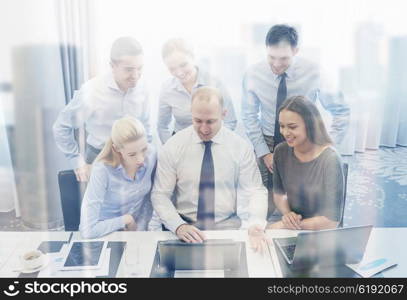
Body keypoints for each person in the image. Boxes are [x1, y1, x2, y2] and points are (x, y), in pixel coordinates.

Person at [241, 24, 350, 219]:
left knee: (305, 204)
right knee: (264, 202)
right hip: (267, 140)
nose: (276, 64)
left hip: (304, 140)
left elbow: (341, 110)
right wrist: (264, 152)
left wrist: (327, 146)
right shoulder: (253, 74)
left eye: (283, 59)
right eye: (271, 57)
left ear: (296, 51)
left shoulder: (315, 72)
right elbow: (249, 116)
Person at [150, 86, 267, 250]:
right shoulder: (173, 146)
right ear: (190, 112)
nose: (204, 129)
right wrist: (178, 226)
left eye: (211, 121)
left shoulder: (240, 147)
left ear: (224, 114)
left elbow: (255, 190)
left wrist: (256, 224)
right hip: (184, 226)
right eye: (197, 121)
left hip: (227, 226)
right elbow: (160, 195)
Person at [53, 37, 151, 182]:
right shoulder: (92, 91)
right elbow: (61, 127)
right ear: (112, 66)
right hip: (99, 158)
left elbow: (146, 127)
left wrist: (146, 157)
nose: (135, 75)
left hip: (133, 158)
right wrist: (77, 162)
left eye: (140, 68)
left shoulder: (142, 88)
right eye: (129, 69)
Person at [267, 96, 344, 230]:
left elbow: (331, 222)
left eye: (292, 127)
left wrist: (286, 226)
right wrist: (288, 215)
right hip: (293, 227)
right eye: (282, 126)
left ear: (310, 125)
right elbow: (279, 194)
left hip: (320, 232)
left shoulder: (330, 159)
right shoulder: (281, 151)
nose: (285, 132)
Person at [79, 116, 156, 239]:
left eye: (144, 149)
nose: (141, 159)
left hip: (136, 232)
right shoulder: (102, 169)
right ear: (116, 149)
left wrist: (141, 230)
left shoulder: (152, 154)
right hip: (104, 233)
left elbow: (150, 199)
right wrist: (126, 220)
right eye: (132, 154)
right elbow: (87, 230)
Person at [157, 38, 237, 144]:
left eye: (183, 65)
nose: (179, 73)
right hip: (181, 144)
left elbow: (230, 121)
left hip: (212, 142)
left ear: (193, 57)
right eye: (172, 69)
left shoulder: (215, 82)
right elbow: (162, 126)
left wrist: (216, 144)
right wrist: (171, 148)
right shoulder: (167, 89)